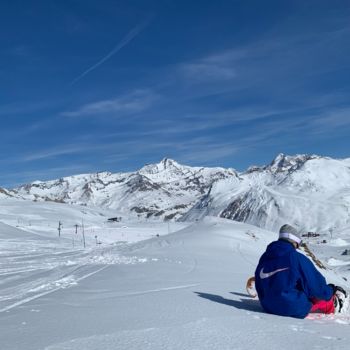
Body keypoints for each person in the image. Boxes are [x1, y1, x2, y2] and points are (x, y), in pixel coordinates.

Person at [255, 224, 347, 319]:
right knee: (322, 299)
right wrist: (330, 291)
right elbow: (316, 288)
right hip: (289, 307)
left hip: (266, 305)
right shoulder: (296, 258)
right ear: (294, 241)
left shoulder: (265, 256)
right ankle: (334, 305)